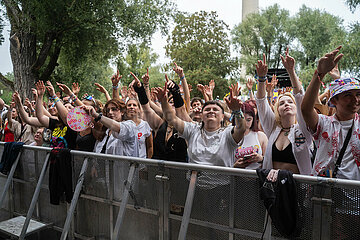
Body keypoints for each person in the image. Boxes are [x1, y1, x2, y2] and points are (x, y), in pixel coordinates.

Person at [301, 46, 360, 179]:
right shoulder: (324, 123)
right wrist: (319, 74)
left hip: (356, 196)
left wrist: (338, 79)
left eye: (358, 94)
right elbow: (305, 109)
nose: (355, 99)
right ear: (334, 100)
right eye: (348, 95)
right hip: (326, 196)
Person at [255, 50, 312, 175]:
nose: (286, 104)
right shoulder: (273, 129)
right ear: (277, 111)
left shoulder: (303, 129)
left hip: (298, 188)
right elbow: (261, 102)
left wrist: (291, 71)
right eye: (281, 103)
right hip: (273, 188)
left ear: (297, 107)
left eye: (290, 102)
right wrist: (261, 79)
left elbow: (299, 96)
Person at [234, 102, 268, 169]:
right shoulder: (228, 136)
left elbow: (269, 160)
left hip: (256, 176)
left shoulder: (261, 136)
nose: (245, 123)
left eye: (248, 120)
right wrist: (235, 166)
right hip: (236, 176)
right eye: (241, 120)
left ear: (253, 120)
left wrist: (260, 159)